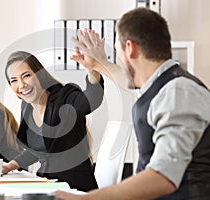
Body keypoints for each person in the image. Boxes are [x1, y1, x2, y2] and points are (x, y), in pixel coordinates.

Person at [55, 7, 210, 200]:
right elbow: (126, 80)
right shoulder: (163, 87)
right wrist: (98, 64)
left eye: (117, 50)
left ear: (130, 48)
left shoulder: (178, 92)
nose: (118, 59)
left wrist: (88, 199)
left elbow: (164, 176)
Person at [2, 51, 104, 192]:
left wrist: (92, 70)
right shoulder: (26, 107)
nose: (21, 85)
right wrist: (9, 166)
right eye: (14, 80)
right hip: (48, 186)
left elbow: (90, 101)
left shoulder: (64, 97)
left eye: (26, 75)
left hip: (74, 189)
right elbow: (36, 150)